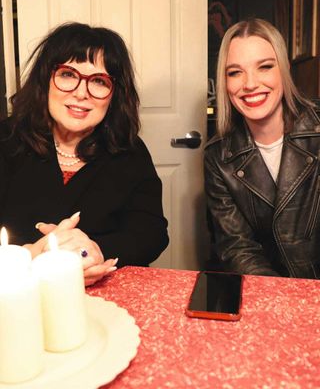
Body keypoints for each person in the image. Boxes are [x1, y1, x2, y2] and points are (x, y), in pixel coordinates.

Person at [0, 22, 169, 286]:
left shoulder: (129, 151)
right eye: (68, 74)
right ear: (46, 79)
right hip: (18, 293)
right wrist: (32, 254)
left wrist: (92, 248)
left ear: (114, 94)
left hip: (105, 296)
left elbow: (152, 233)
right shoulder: (6, 140)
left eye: (99, 81)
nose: (81, 93)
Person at [204, 18, 320, 279]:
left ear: (284, 69)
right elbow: (238, 248)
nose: (250, 84)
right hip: (267, 293)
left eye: (265, 67)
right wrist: (280, 300)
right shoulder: (218, 157)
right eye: (235, 72)